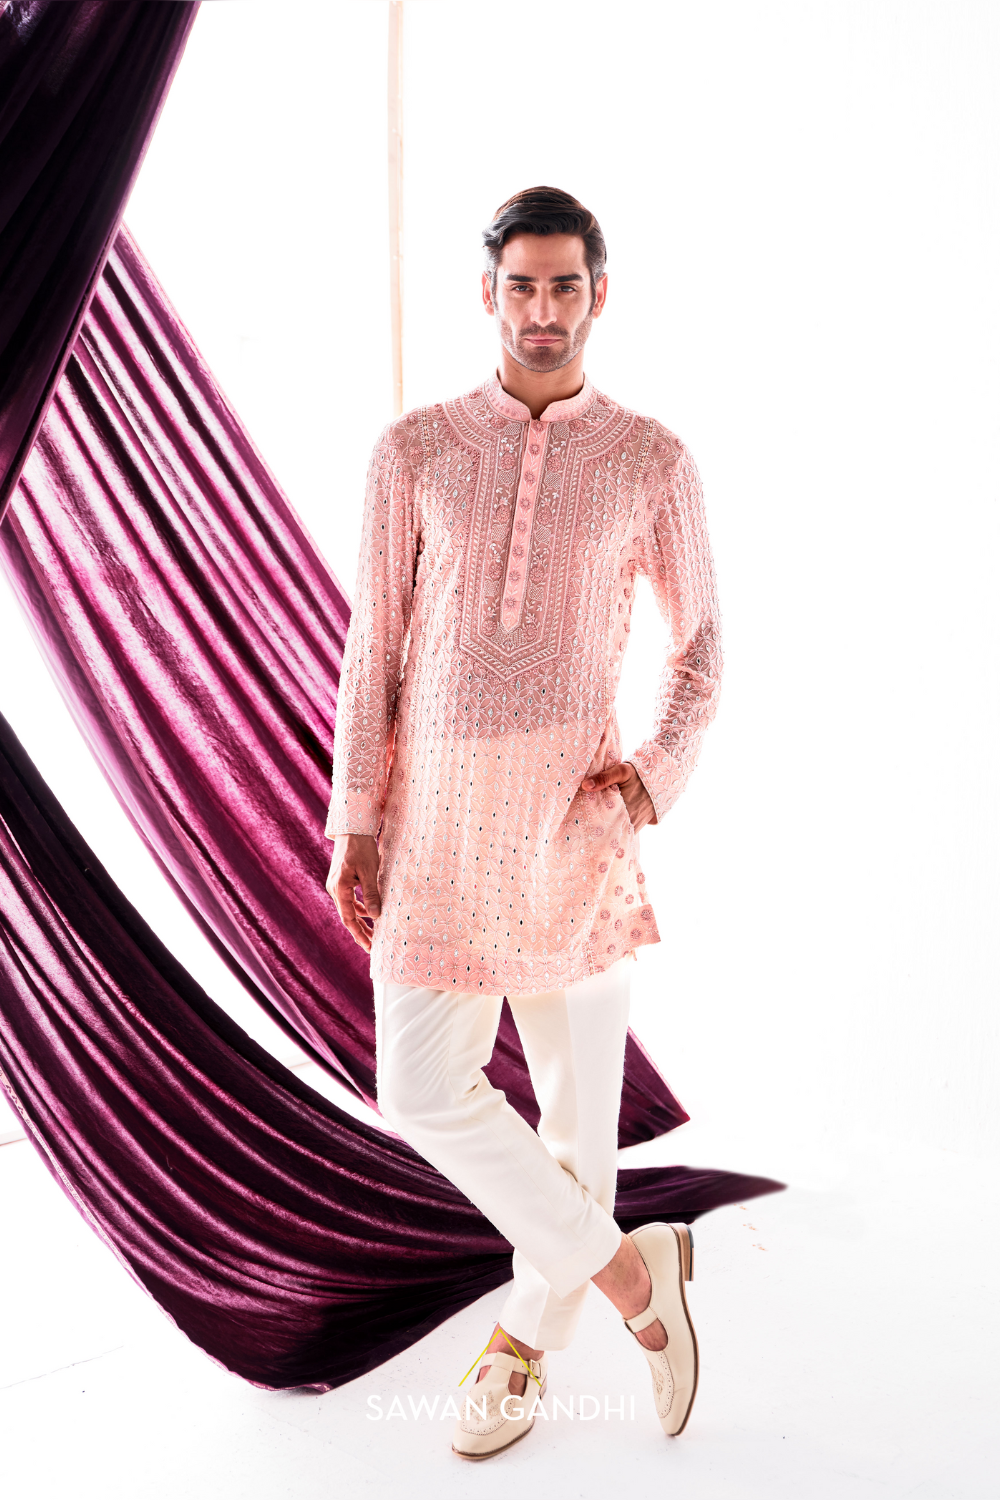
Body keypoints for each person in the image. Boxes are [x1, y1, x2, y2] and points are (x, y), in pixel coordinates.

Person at [326, 186, 722, 1459]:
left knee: (574, 1130)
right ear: (486, 294)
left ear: (598, 294)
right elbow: (373, 649)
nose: (541, 309)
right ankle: (633, 1277)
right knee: (420, 1087)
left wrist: (652, 777)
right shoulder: (413, 451)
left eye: (563, 286)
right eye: (520, 286)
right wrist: (354, 819)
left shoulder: (651, 460)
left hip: (573, 828)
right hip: (438, 832)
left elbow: (701, 646)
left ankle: (520, 1349)